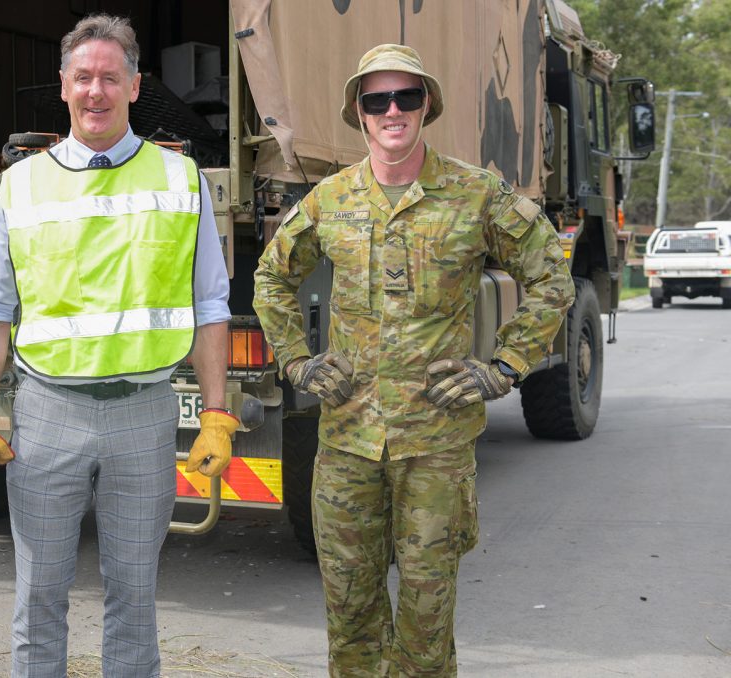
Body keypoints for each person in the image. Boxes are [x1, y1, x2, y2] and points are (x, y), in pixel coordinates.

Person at [253, 44, 575, 676]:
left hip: (436, 445)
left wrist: (503, 367)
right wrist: (297, 360)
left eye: (406, 97)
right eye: (377, 100)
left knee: (427, 622)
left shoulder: (476, 195)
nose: (392, 110)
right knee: (350, 614)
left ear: (428, 104)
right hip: (347, 443)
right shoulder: (330, 200)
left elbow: (552, 280)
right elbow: (271, 280)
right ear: (360, 114)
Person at [0, 13, 234, 678]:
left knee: (134, 600)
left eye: (110, 77)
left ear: (136, 86)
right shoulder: (21, 184)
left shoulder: (179, 180)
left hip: (145, 413)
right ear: (63, 86)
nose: (96, 91)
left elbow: (210, 304)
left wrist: (216, 412)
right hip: (48, 415)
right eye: (83, 77)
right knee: (39, 597)